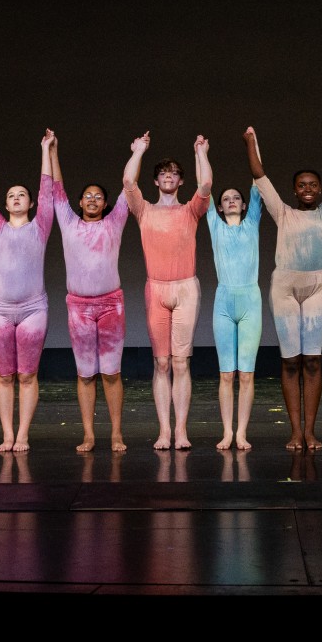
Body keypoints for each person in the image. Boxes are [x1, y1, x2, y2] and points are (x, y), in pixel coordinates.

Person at [245, 126, 322, 452]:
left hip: (317, 286)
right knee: (290, 361)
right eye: (301, 185)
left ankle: (310, 431)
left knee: (313, 360)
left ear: (320, 190)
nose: (307, 189)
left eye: (313, 185)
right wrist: (251, 141)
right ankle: (295, 432)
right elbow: (259, 175)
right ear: (293, 190)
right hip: (285, 288)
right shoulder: (283, 212)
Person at [123, 132, 212, 450]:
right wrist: (138, 150)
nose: (168, 177)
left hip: (185, 288)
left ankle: (181, 431)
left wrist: (201, 152)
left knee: (181, 362)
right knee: (161, 363)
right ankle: (164, 431)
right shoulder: (144, 210)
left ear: (180, 180)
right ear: (156, 181)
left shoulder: (190, 211)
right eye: (163, 173)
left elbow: (206, 185)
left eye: (174, 173)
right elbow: (128, 182)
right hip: (156, 289)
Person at [48, 131, 131, 453]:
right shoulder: (69, 222)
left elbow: (128, 185)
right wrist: (53, 150)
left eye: (98, 196)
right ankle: (88, 435)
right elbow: (57, 190)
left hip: (111, 305)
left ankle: (116, 434)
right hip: (78, 307)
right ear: (80, 202)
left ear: (106, 204)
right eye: (88, 196)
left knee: (111, 372)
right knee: (85, 374)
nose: (93, 199)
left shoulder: (114, 222)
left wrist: (136, 152)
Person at [0, 133, 55, 452]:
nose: (17, 198)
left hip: (33, 309)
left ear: (31, 204)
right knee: (4, 375)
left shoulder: (41, 226)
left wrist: (45, 149)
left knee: (27, 375)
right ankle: (7, 434)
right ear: (5, 205)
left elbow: (48, 190)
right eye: (11, 195)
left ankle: (23, 435)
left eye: (22, 195)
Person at [206, 181, 263, 450]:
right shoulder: (214, 224)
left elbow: (257, 182)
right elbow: (204, 186)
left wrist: (255, 152)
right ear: (219, 207)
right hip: (224, 302)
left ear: (244, 205)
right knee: (227, 374)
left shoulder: (252, 222)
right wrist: (202, 158)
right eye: (226, 198)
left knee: (246, 374)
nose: (231, 200)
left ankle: (241, 432)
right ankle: (227, 431)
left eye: (236, 197)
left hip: (250, 300)